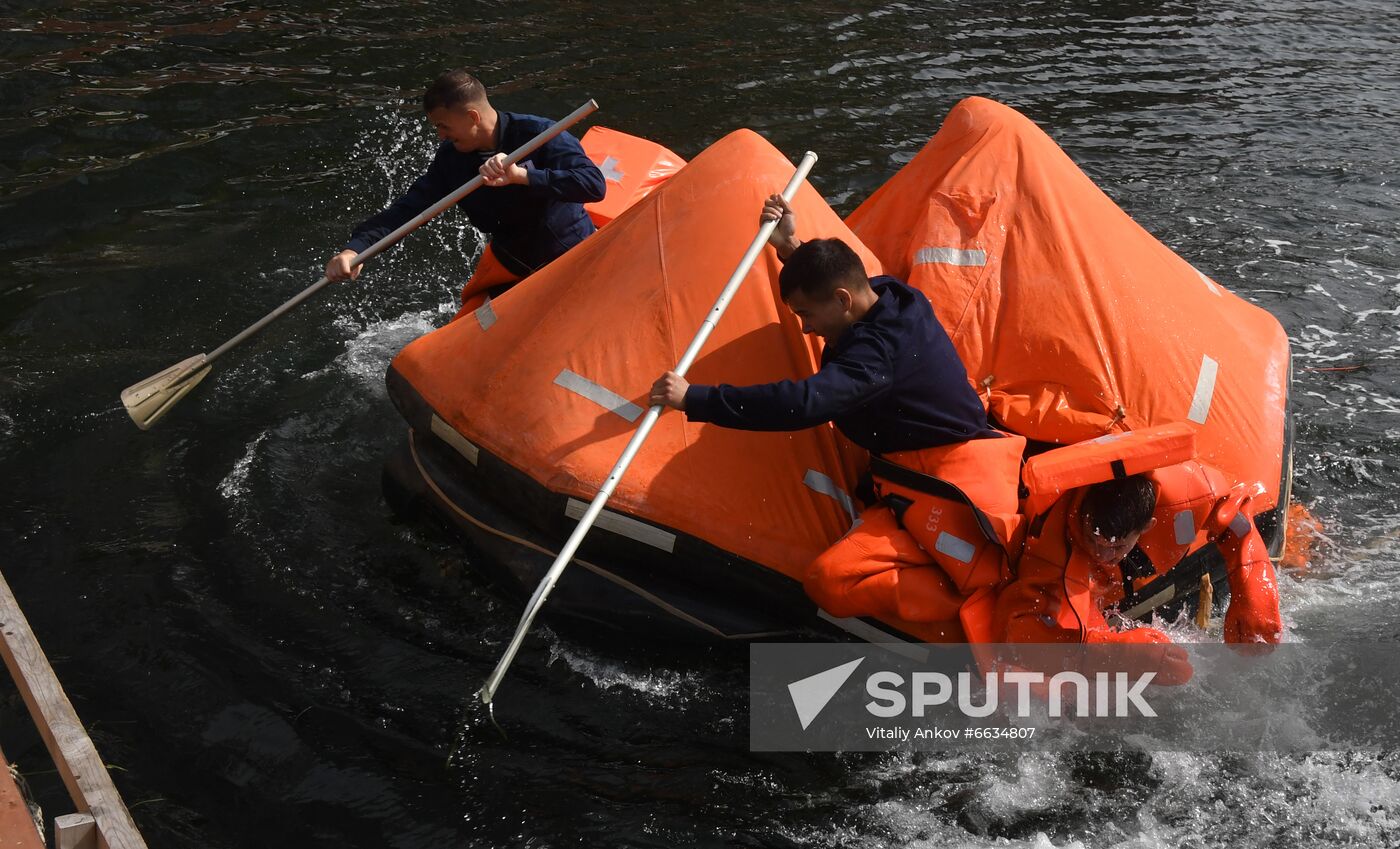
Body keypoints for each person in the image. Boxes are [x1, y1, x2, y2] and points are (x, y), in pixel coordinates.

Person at [649, 196, 1028, 637]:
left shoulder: (874, 359)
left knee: (830, 583)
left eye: (807, 315)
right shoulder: (894, 294)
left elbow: (805, 403)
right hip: (928, 461)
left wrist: (696, 399)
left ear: (843, 300)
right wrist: (789, 246)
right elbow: (835, 279)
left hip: (949, 488)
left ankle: (967, 596)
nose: (806, 328)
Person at [324, 69, 606, 315]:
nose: (441, 135)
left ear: (472, 116)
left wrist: (523, 176)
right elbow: (408, 209)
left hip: (568, 253)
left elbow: (593, 184)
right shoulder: (451, 159)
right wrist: (355, 249)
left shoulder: (540, 134)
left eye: (443, 126)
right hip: (512, 263)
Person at [992, 463, 1284, 682]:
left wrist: (1253, 585)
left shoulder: (1190, 492)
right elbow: (1017, 632)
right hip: (1087, 592)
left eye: (1116, 546)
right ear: (1082, 520)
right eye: (1095, 542)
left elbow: (1236, 518)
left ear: (1147, 527)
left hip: (1136, 571)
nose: (1103, 554)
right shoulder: (1049, 546)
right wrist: (1111, 655)